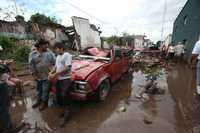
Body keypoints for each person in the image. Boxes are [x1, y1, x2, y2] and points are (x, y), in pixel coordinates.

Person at [49, 42, 72, 127]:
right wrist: (51, 72)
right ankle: (64, 111)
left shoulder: (67, 55)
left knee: (65, 95)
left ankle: (67, 115)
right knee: (59, 96)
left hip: (65, 79)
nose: (55, 51)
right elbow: (55, 67)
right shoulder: (58, 56)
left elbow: (68, 67)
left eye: (56, 49)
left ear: (61, 48)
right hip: (59, 79)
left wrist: (56, 74)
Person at [29, 39, 55, 111]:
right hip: (38, 76)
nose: (47, 46)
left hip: (48, 75)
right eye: (45, 45)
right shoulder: (33, 54)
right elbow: (31, 65)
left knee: (45, 90)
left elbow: (54, 62)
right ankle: (38, 100)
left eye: (47, 44)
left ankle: (44, 103)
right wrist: (33, 75)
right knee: (39, 89)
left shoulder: (49, 53)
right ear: (40, 45)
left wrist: (52, 71)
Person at [0, 64, 13, 132]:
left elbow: (7, 79)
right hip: (3, 87)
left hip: (2, 88)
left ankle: (8, 126)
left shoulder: (2, 69)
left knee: (3, 110)